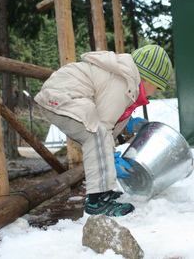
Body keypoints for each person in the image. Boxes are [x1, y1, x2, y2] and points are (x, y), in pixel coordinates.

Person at [34, 45, 172, 216]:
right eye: (157, 87)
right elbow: (103, 127)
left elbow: (106, 120)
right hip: (62, 97)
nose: (156, 91)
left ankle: (103, 193)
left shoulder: (126, 80)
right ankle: (97, 202)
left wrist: (125, 123)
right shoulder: (122, 83)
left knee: (96, 133)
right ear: (148, 79)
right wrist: (111, 158)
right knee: (95, 135)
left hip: (66, 97)